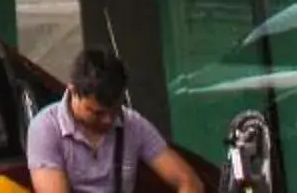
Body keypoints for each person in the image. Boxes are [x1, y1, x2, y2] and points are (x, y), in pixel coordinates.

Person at [24, 48, 200, 193]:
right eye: (97, 113)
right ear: (73, 91)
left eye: (115, 109)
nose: (109, 120)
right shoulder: (46, 128)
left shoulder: (133, 124)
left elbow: (189, 182)